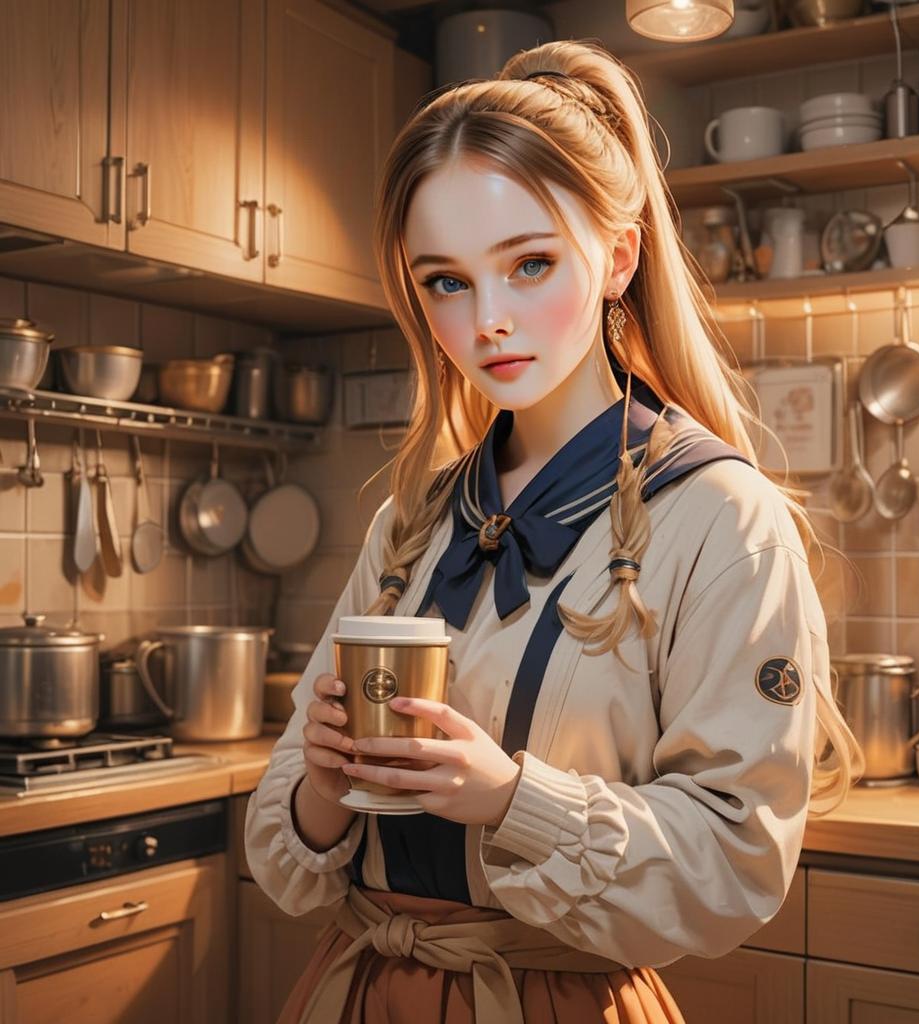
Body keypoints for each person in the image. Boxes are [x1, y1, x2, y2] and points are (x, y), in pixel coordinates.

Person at [245, 38, 862, 1024]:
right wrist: (321, 783)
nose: (488, 320)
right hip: (354, 992)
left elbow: (738, 860)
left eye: (529, 264)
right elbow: (284, 852)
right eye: (445, 280)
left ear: (619, 256)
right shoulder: (412, 519)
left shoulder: (719, 519)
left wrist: (507, 797)